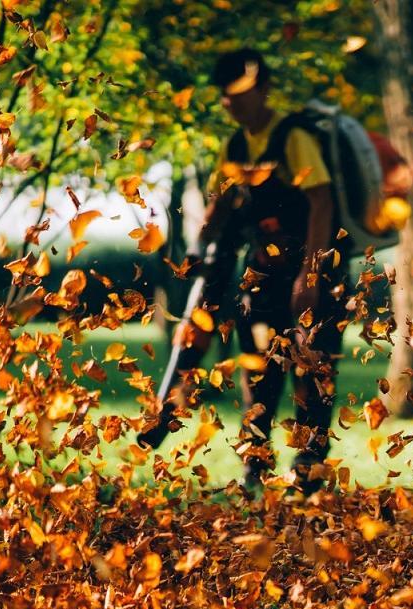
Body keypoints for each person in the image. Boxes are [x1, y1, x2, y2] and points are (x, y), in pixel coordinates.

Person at [138, 49, 351, 494]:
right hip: (264, 276)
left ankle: (309, 471)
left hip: (314, 273)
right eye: (226, 95)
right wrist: (199, 248)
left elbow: (322, 204)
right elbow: (220, 204)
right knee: (259, 372)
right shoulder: (236, 146)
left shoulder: (292, 138)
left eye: (240, 92)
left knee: (310, 371)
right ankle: (255, 466)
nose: (231, 102)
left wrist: (309, 279)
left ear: (263, 89)